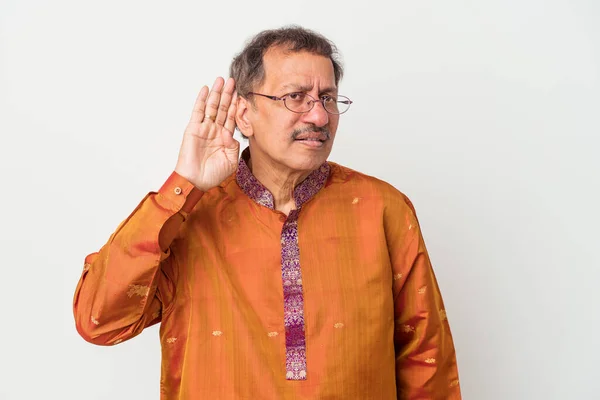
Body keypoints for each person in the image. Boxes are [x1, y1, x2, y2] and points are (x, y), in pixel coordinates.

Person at [73, 25, 461, 399]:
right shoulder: (188, 215)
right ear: (244, 114)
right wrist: (182, 184)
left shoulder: (383, 209)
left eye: (327, 97)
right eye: (295, 97)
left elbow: (427, 361)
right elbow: (99, 321)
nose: (319, 117)